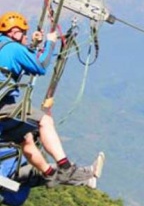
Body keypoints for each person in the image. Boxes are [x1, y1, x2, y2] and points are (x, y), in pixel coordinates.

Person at [0, 10, 100, 187]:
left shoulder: (6, 47)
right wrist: (50, 43)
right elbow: (40, 66)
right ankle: (66, 169)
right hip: (3, 107)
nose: (25, 36)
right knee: (44, 121)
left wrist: (32, 45)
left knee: (26, 138)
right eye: (23, 33)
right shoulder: (13, 47)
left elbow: (17, 61)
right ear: (15, 32)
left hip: (3, 110)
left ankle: (49, 174)